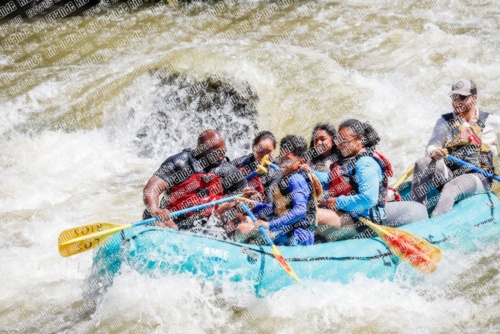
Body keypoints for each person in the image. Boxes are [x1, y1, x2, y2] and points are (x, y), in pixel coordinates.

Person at [411, 79, 500, 217]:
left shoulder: (493, 122)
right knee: (422, 163)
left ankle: (436, 225)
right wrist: (434, 152)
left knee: (451, 187)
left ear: (474, 98)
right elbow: (431, 146)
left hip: (480, 177)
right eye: (454, 97)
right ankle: (415, 214)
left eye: (463, 97)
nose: (457, 101)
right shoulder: (444, 122)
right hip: (451, 174)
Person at [142, 129, 247, 230]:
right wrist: (155, 210)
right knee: (156, 219)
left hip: (208, 223)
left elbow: (246, 195)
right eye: (215, 153)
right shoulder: (180, 163)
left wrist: (251, 196)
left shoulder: (229, 170)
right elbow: (151, 188)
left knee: (236, 213)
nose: (220, 157)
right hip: (173, 220)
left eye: (223, 152)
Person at [235, 135, 322, 246]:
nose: (281, 164)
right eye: (281, 159)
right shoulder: (287, 177)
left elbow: (300, 211)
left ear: (301, 161)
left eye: (287, 160)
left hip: (298, 237)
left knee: (243, 229)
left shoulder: (295, 179)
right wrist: (254, 206)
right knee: (246, 225)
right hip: (289, 231)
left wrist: (269, 224)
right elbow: (278, 209)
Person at [311, 119, 390, 241]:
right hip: (347, 214)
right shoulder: (350, 158)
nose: (339, 145)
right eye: (338, 140)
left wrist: (338, 202)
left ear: (359, 139)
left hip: (365, 223)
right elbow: (329, 180)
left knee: (311, 214)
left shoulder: (365, 163)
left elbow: (368, 199)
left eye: (344, 141)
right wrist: (308, 172)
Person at [216, 131, 282, 238]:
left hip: (261, 216)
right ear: (253, 148)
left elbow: (270, 207)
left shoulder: (276, 174)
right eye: (260, 151)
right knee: (223, 208)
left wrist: (255, 199)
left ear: (274, 151)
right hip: (237, 204)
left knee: (231, 211)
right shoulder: (240, 163)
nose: (264, 157)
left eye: (268, 152)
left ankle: (232, 243)